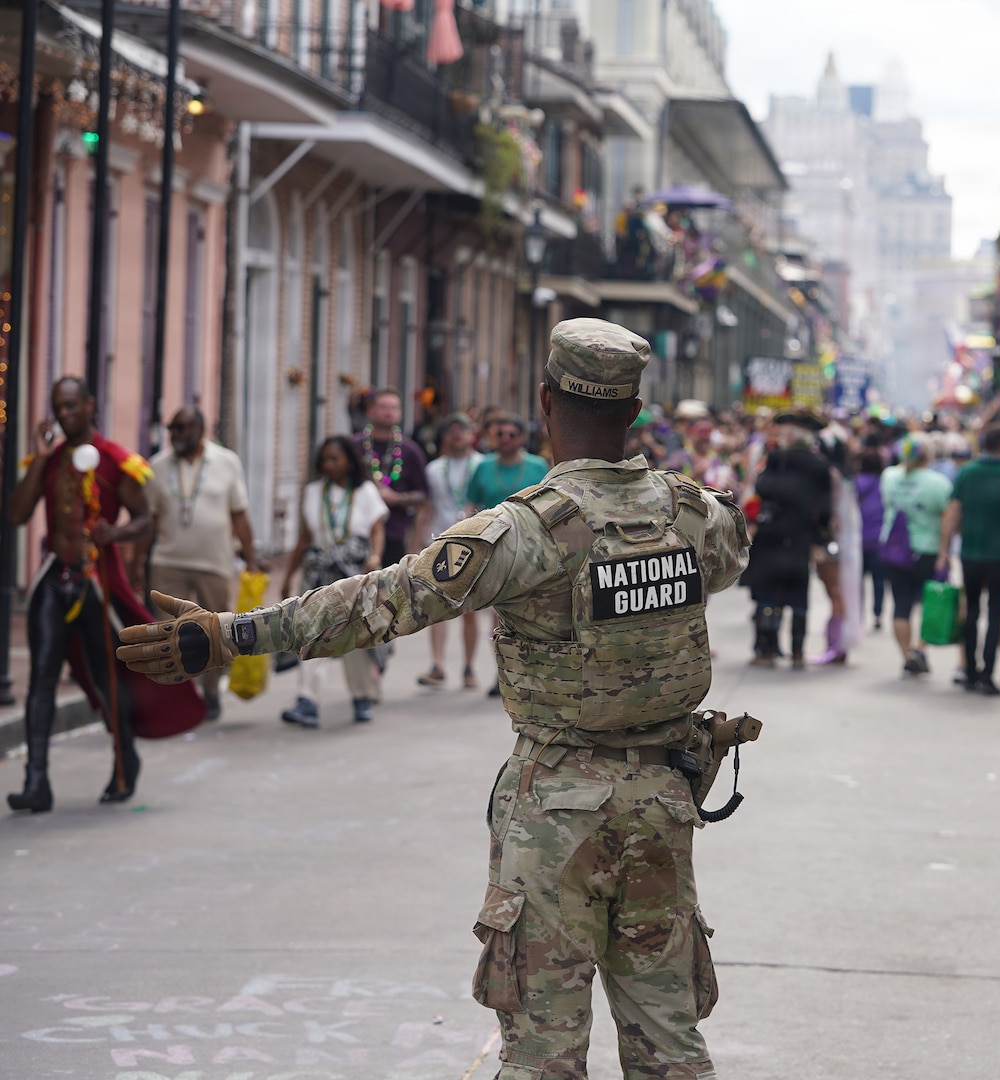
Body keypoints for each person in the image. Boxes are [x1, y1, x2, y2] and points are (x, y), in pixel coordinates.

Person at [119, 319, 750, 1079]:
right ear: (636, 410)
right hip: (662, 799)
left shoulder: (528, 532)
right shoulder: (696, 517)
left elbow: (386, 600)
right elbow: (722, 560)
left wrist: (231, 633)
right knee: (671, 1048)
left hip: (557, 813)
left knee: (543, 1055)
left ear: (545, 403)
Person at [7, 377, 202, 811]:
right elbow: (17, 514)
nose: (64, 414)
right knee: (41, 678)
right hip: (55, 579)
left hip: (96, 581)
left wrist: (115, 532)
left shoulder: (116, 461)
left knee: (105, 676)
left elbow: (145, 521)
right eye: (59, 406)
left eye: (72, 405)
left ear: (90, 405)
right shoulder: (50, 460)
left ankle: (123, 760)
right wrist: (38, 461)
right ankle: (36, 781)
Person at [142, 406, 259, 721]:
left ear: (202, 429)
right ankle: (173, 697)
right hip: (168, 561)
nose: (177, 435)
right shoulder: (157, 466)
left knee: (215, 632)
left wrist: (251, 560)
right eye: (173, 429)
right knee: (165, 634)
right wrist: (136, 562)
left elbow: (239, 515)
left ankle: (210, 692)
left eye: (184, 428)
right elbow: (148, 520)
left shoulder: (226, 462)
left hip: (215, 562)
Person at [278, 438, 389, 727]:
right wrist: (288, 576)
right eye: (325, 459)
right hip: (318, 576)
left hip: (354, 573)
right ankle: (307, 700)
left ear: (350, 461)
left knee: (356, 635)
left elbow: (377, 529)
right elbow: (304, 538)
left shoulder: (364, 492)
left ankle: (362, 696)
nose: (330, 465)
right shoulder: (314, 492)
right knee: (313, 635)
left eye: (336, 459)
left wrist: (375, 557)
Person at [938, 425, 1000, 695]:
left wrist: (944, 551)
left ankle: (969, 670)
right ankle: (988, 674)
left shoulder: (966, 473)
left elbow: (952, 511)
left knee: (971, 611)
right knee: (997, 612)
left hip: (971, 554)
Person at [466, 412, 552, 695]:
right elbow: (471, 504)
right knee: (497, 613)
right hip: (490, 547)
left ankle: (522, 676)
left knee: (524, 615)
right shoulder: (483, 466)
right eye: (499, 434)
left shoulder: (538, 465)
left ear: (522, 438)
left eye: (511, 435)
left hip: (530, 548)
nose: (505, 439)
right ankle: (501, 676)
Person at [745, 413, 832, 668]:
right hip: (800, 536)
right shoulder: (818, 465)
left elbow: (761, 487)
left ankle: (765, 649)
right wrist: (821, 535)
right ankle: (797, 652)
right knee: (798, 594)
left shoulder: (774, 459)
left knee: (768, 594)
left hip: (771, 533)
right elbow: (825, 509)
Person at [417, 413, 484, 690]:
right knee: (437, 606)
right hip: (439, 542)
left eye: (463, 430)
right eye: (452, 430)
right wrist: (418, 542)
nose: (458, 435)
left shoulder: (482, 465)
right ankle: (437, 664)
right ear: (443, 436)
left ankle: (469, 666)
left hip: (473, 543)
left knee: (470, 608)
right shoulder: (433, 469)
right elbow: (426, 507)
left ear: (472, 434)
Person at [880, 434, 953, 676]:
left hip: (894, 549)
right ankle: (920, 650)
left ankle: (906, 655)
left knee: (901, 605)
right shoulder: (938, 483)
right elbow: (947, 519)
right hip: (927, 550)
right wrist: (945, 552)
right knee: (929, 604)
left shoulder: (889, 477)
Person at [355, 388, 429, 567]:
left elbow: (423, 496)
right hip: (356, 532)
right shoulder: (354, 446)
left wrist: (396, 498)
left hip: (394, 533)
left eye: (394, 407)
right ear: (370, 410)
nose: (388, 412)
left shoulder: (411, 451)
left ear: (400, 413)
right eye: (383, 407)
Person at [854, 444, 888, 631]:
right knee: (879, 580)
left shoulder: (856, 483)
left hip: (859, 538)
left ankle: (859, 613)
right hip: (879, 538)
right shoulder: (885, 483)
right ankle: (878, 614)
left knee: (858, 580)